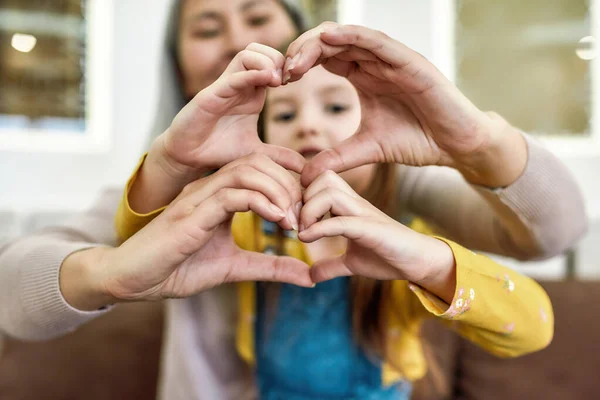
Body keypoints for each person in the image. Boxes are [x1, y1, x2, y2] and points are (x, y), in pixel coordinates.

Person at [0, 2, 586, 398]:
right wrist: (119, 259)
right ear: (181, 74)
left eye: (258, 14)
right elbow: (16, 298)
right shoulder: (169, 188)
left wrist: (475, 142)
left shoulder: (392, 188)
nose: (239, 38)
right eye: (206, 29)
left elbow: (552, 237)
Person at [116, 46, 555, 399]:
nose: (307, 125)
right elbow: (135, 254)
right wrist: (170, 159)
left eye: (335, 107)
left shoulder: (404, 241)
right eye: (285, 116)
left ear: (383, 142)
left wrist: (432, 265)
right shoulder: (247, 226)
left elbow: (534, 328)